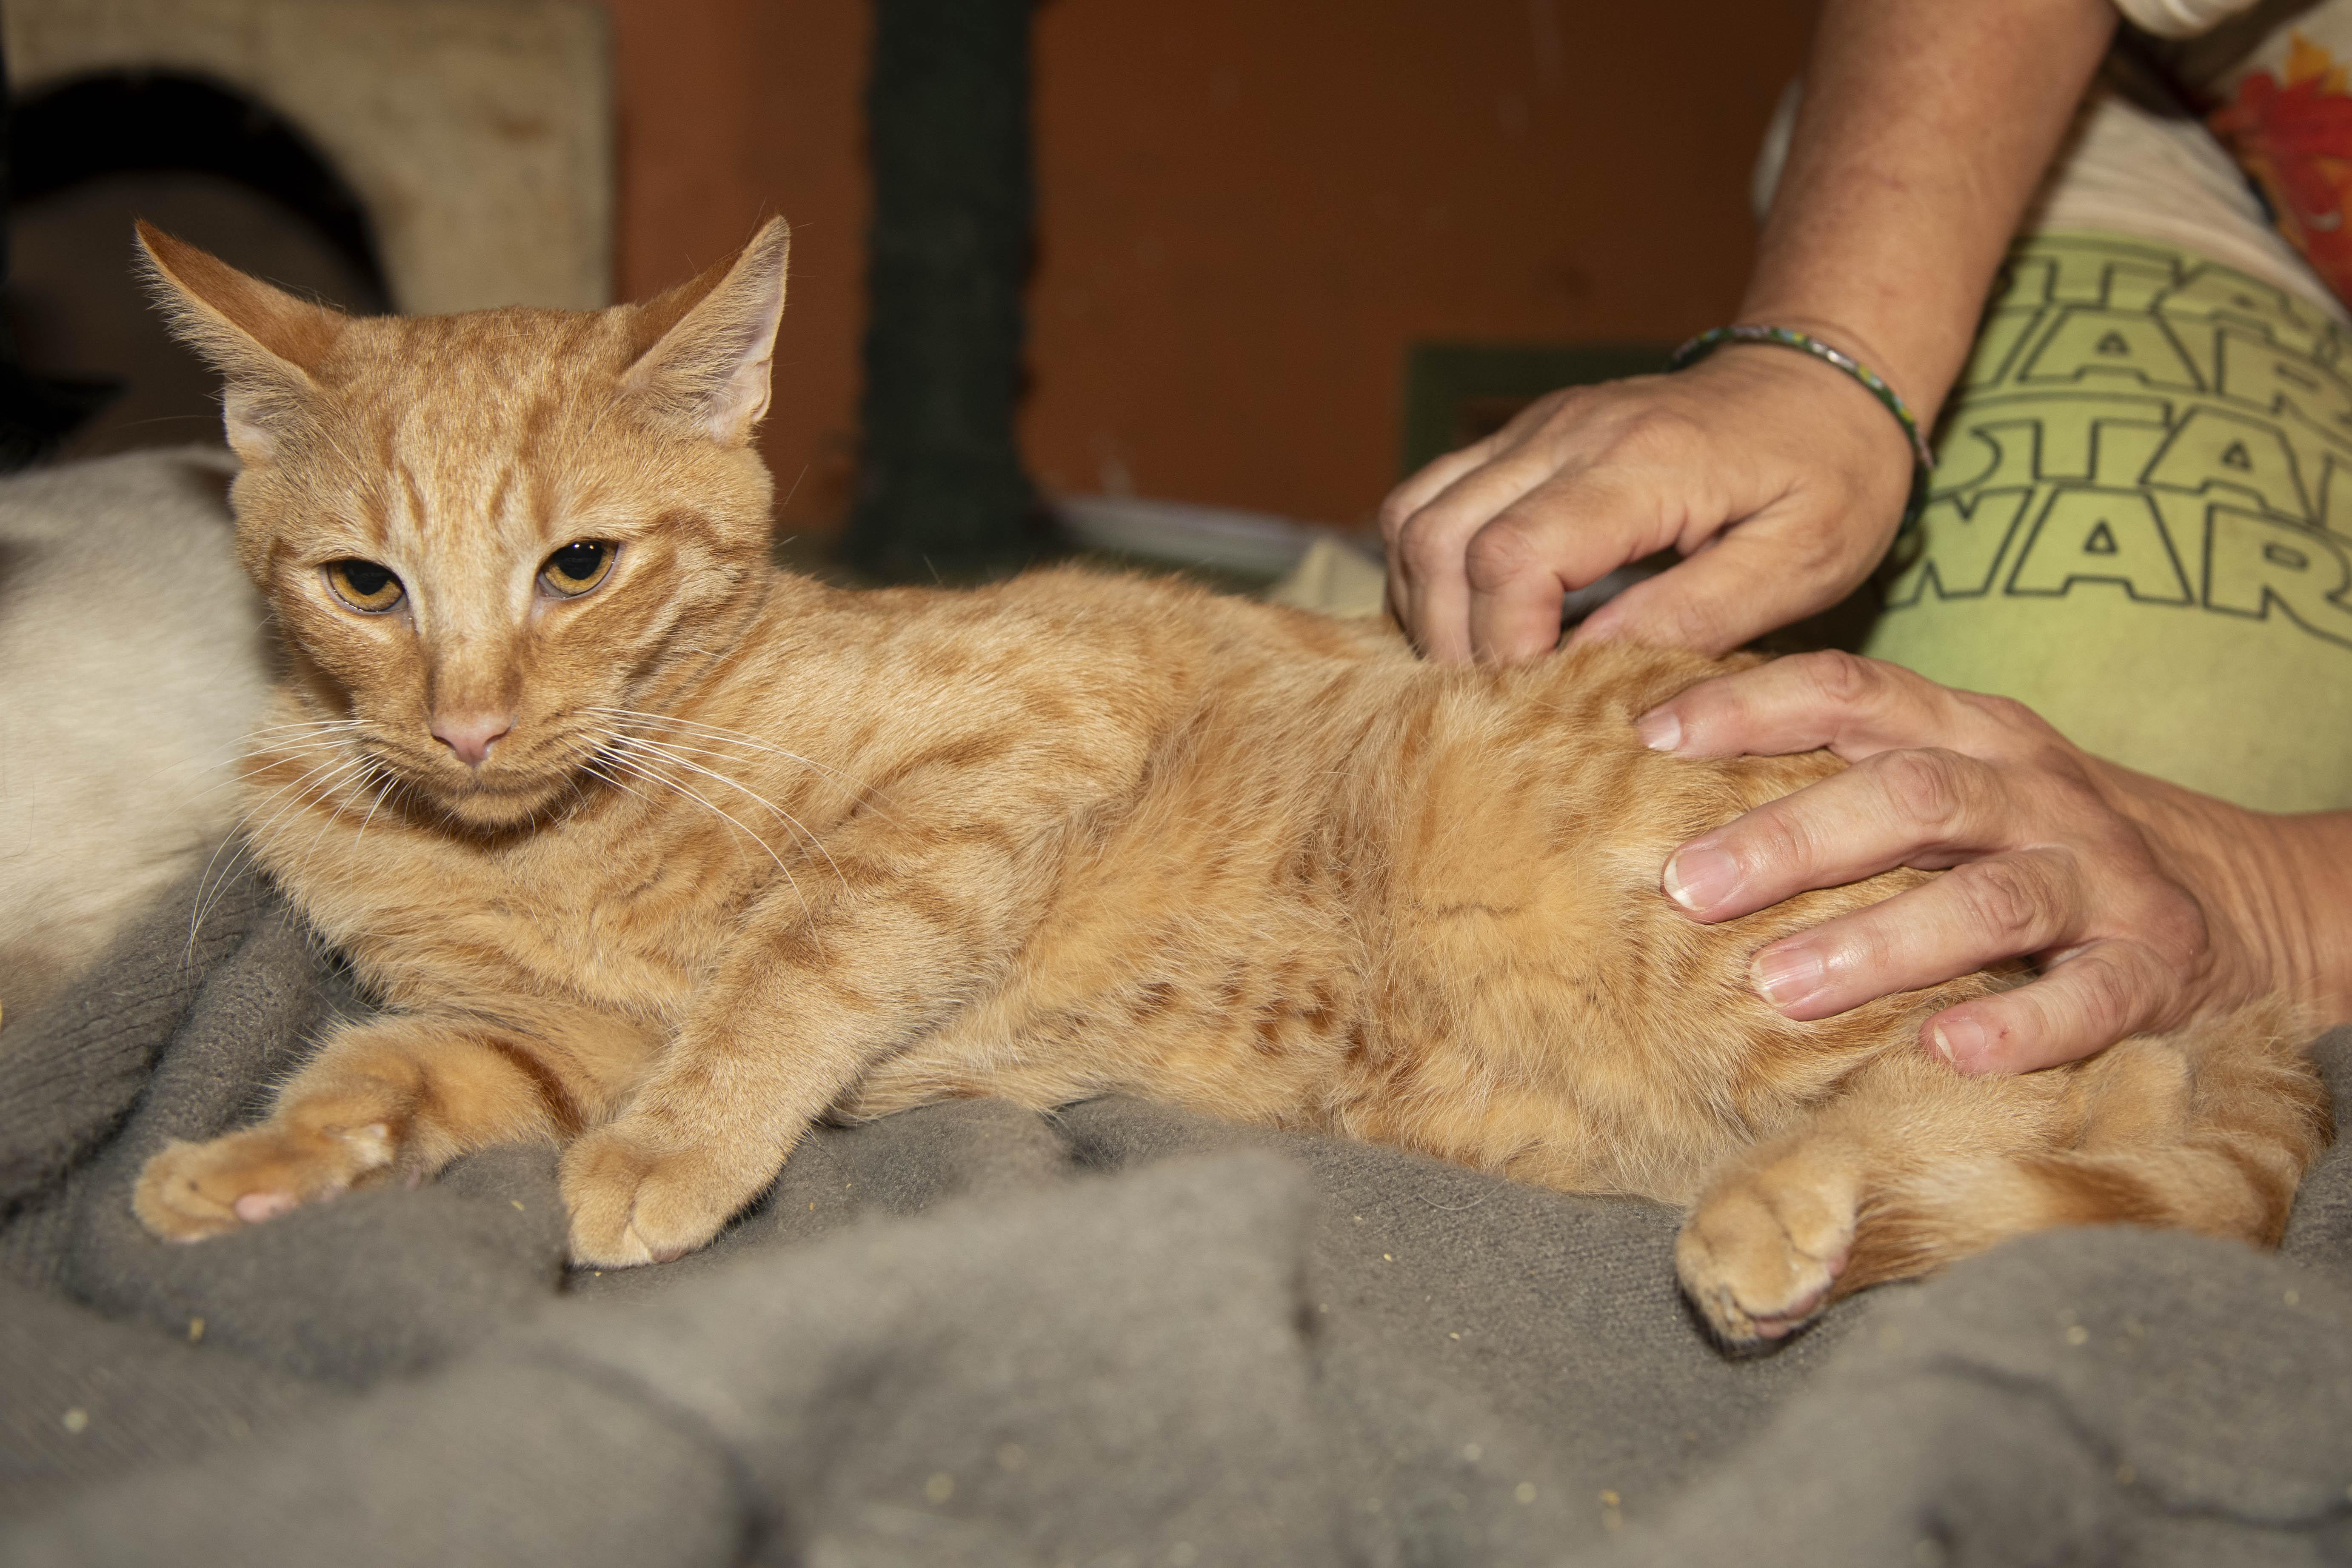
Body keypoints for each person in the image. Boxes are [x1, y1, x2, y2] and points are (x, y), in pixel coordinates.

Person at [1379, 0, 2352, 1075]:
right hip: (2202, 119)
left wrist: (2276, 899)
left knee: (2067, 933)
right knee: (1984, 749)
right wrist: (1830, 361)